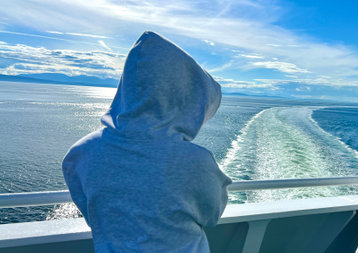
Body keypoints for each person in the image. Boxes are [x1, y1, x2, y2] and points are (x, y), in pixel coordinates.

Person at [62, 31, 232, 252]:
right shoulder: (196, 161)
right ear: (186, 101)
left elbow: (91, 212)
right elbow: (211, 215)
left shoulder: (81, 153)